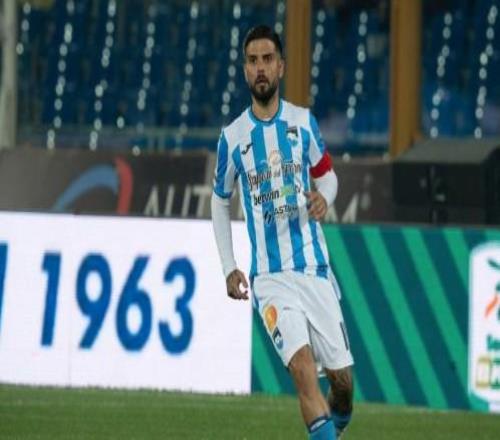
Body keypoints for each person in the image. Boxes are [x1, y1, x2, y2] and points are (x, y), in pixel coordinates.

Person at [211, 25, 353, 440]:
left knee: (342, 384)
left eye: (267, 59)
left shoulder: (303, 122)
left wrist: (325, 197)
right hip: (270, 280)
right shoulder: (232, 138)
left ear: (281, 67)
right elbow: (219, 200)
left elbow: (328, 176)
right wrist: (229, 266)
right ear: (245, 70)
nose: (260, 68)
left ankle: (336, 427)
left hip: (314, 269)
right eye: (253, 60)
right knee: (303, 370)